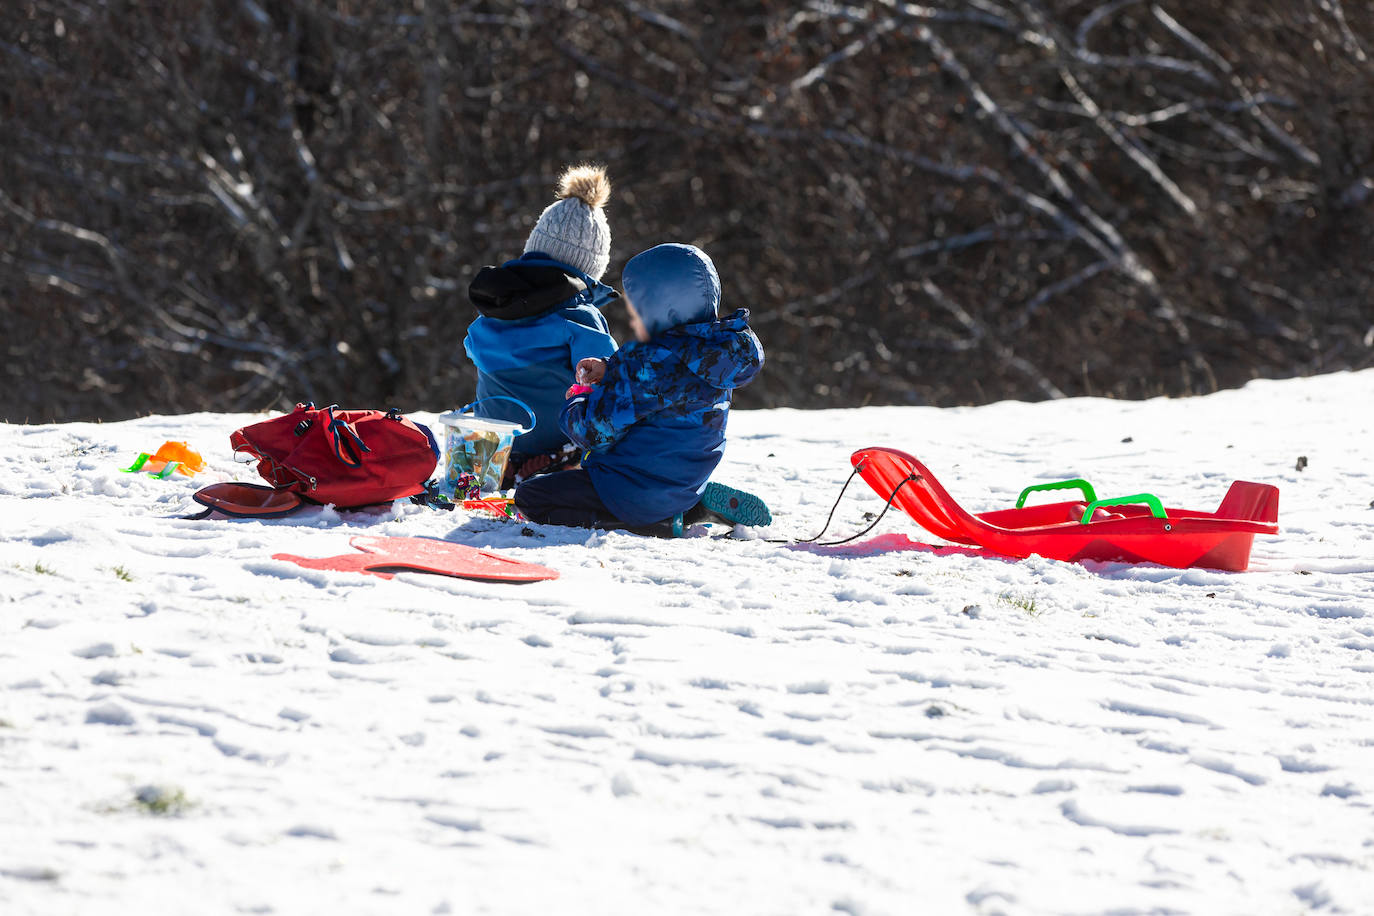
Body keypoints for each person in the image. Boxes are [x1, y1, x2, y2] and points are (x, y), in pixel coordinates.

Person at [514, 242, 769, 534]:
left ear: (667, 311)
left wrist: (578, 399)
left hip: (631, 490)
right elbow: (666, 381)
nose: (633, 319)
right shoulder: (713, 355)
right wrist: (610, 369)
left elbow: (591, 431)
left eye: (639, 310)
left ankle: (657, 523)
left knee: (531, 497)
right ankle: (690, 504)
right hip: (683, 484)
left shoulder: (652, 366)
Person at [463, 163, 619, 485]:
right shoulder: (579, 316)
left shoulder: (495, 308)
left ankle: (503, 465)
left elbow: (472, 345)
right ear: (590, 267)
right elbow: (609, 374)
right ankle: (560, 460)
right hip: (552, 438)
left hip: (495, 441)